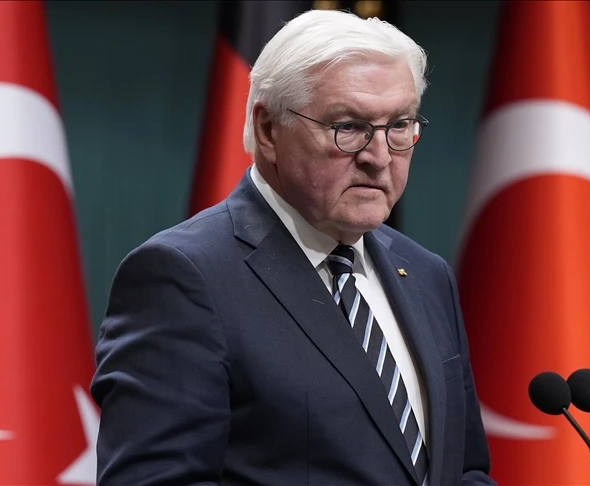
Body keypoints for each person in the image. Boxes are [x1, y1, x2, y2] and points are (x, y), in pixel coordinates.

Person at [90, 8, 494, 485]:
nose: (380, 156)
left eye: (399, 125)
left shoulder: (426, 273)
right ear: (268, 130)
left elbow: (463, 470)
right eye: (349, 126)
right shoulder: (184, 277)